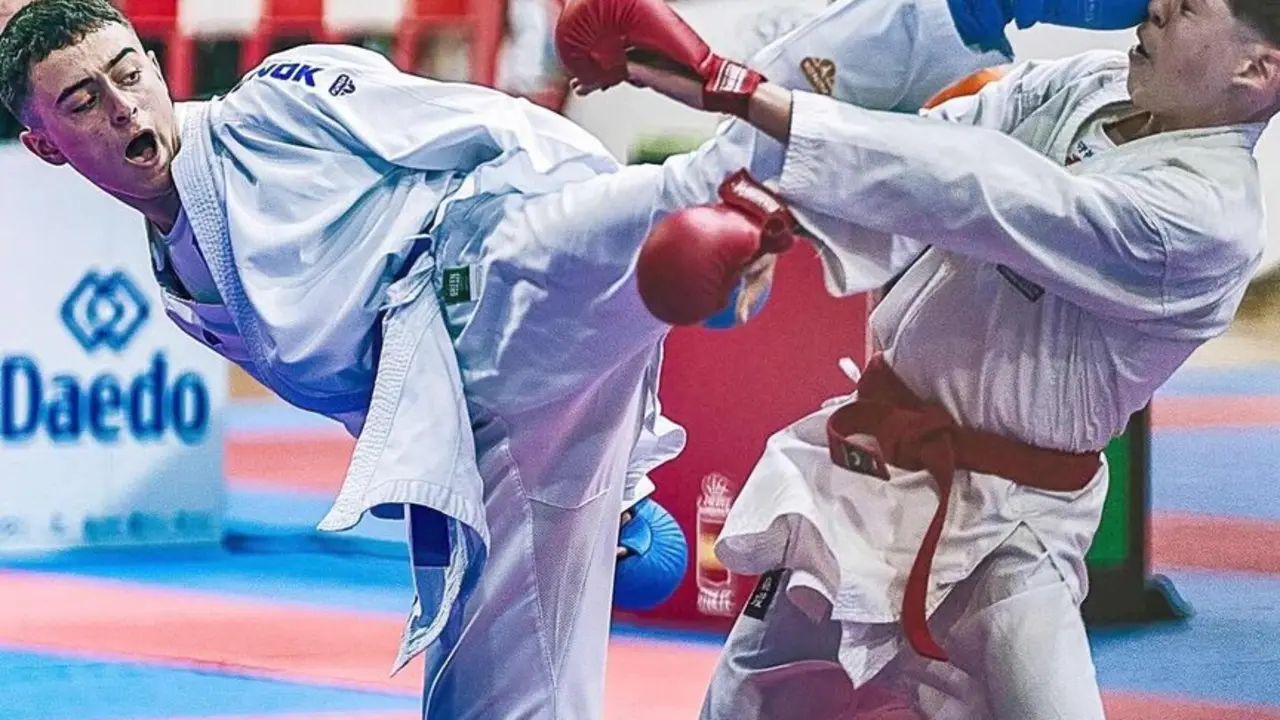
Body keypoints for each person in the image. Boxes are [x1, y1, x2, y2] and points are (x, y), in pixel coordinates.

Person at [0, 0, 1141, 718]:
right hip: (477, 417)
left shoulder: (274, 102)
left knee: (692, 187)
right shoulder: (180, 286)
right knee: (487, 702)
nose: (121, 107)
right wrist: (623, 476)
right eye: (82, 104)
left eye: (126, 72)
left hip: (493, 254)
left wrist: (610, 213)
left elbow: (487, 130)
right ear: (47, 147)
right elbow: (371, 398)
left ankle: (949, 24)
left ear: (154, 61)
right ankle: (690, 260)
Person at [557, 0, 1272, 716]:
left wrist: (739, 88)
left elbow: (977, 190)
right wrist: (773, 219)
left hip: (1010, 533)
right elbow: (931, 144)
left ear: (1256, 67)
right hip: (868, 479)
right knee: (743, 702)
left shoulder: (1206, 219)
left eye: (1186, 8)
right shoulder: (1093, 85)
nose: (1153, 7)